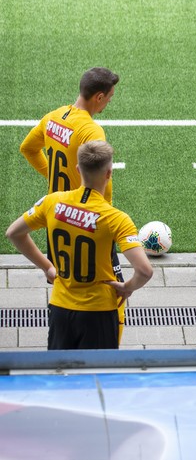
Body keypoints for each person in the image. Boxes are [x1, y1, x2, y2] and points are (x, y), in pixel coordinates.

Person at [5, 141, 153, 350]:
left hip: (60, 309)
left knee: (60, 376)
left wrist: (47, 267)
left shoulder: (51, 202)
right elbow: (145, 271)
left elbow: (14, 233)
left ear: (77, 169)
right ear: (109, 173)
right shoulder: (116, 218)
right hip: (99, 312)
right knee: (96, 377)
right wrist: (127, 288)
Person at [18, 67, 129, 340]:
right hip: (88, 221)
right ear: (99, 97)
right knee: (114, 293)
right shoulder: (91, 130)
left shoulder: (54, 117)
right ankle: (106, 351)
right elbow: (105, 179)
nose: (111, 101)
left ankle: (64, 338)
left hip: (57, 219)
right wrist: (105, 216)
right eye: (110, 97)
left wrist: (53, 176)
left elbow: (28, 149)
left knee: (64, 283)